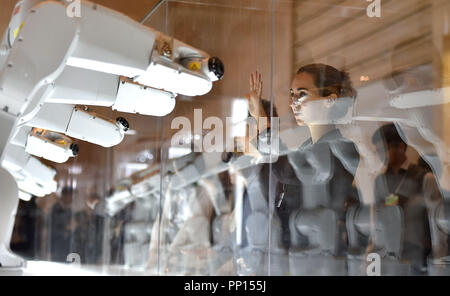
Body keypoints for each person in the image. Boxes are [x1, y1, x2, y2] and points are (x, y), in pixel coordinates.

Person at [245, 64, 360, 275]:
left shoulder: (341, 140)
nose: (293, 102)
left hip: (334, 250)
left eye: (302, 94)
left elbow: (320, 170)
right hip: (306, 248)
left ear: (329, 100)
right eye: (292, 95)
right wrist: (258, 113)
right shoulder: (306, 141)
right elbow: (270, 147)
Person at [372, 123, 432, 274]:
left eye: (383, 150)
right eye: (377, 151)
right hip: (385, 252)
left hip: (415, 252)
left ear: (399, 146)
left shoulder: (422, 177)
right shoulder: (379, 180)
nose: (379, 155)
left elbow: (432, 218)